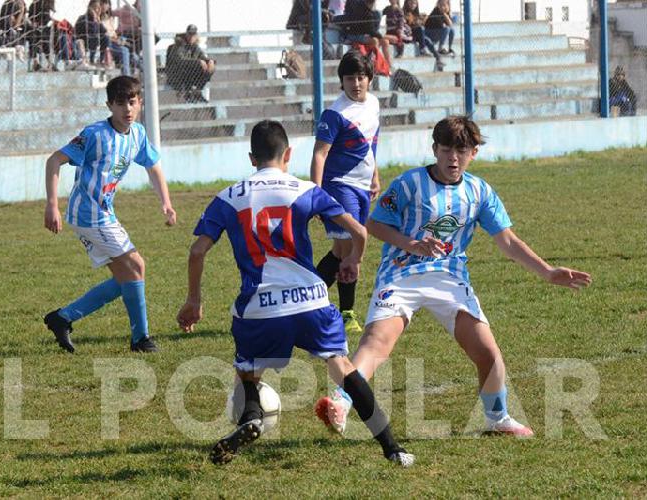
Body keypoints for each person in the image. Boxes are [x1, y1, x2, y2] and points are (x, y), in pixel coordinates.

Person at [314, 115, 593, 437]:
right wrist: (411, 244)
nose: (453, 158)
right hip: (401, 275)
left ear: (474, 152)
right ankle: (341, 402)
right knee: (377, 342)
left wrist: (547, 271)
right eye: (446, 149)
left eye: (462, 150)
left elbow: (508, 241)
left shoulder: (479, 192)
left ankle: (497, 419)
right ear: (435, 149)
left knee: (488, 352)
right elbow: (375, 224)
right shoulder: (408, 184)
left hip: (449, 280)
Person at [177, 119, 414, 468]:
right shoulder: (305, 190)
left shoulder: (228, 197)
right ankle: (392, 448)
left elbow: (197, 252)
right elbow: (359, 232)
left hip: (258, 307)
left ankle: (251, 418)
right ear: (288, 154)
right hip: (309, 302)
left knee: (247, 374)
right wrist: (352, 260)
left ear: (251, 157)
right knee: (342, 367)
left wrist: (194, 301)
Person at [42, 76, 178, 354]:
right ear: (109, 106)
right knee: (136, 266)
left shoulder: (138, 134)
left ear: (140, 103)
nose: (126, 109)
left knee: (126, 278)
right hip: (89, 215)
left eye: (131, 102)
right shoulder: (95, 134)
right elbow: (54, 160)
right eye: (120, 104)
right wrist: (52, 204)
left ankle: (63, 318)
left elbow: (153, 166)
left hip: (104, 213)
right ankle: (141, 339)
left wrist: (166, 202)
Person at [310, 52, 381, 334]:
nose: (355, 83)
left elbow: (372, 142)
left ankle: (307, 302)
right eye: (349, 78)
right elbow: (319, 154)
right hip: (338, 184)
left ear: (370, 79)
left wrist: (374, 175)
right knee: (350, 246)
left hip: (362, 186)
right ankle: (344, 312)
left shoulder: (374, 104)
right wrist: (316, 195)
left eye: (361, 77)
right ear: (341, 81)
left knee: (342, 250)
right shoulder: (335, 113)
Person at [165, 25, 216, 103]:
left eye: (193, 35)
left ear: (196, 36)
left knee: (210, 67)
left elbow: (202, 57)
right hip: (177, 76)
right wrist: (199, 62)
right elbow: (180, 61)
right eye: (189, 34)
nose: (191, 37)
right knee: (199, 64)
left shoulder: (195, 47)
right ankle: (192, 93)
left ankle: (197, 91)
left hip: (189, 76)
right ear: (186, 34)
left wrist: (210, 61)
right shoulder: (179, 45)